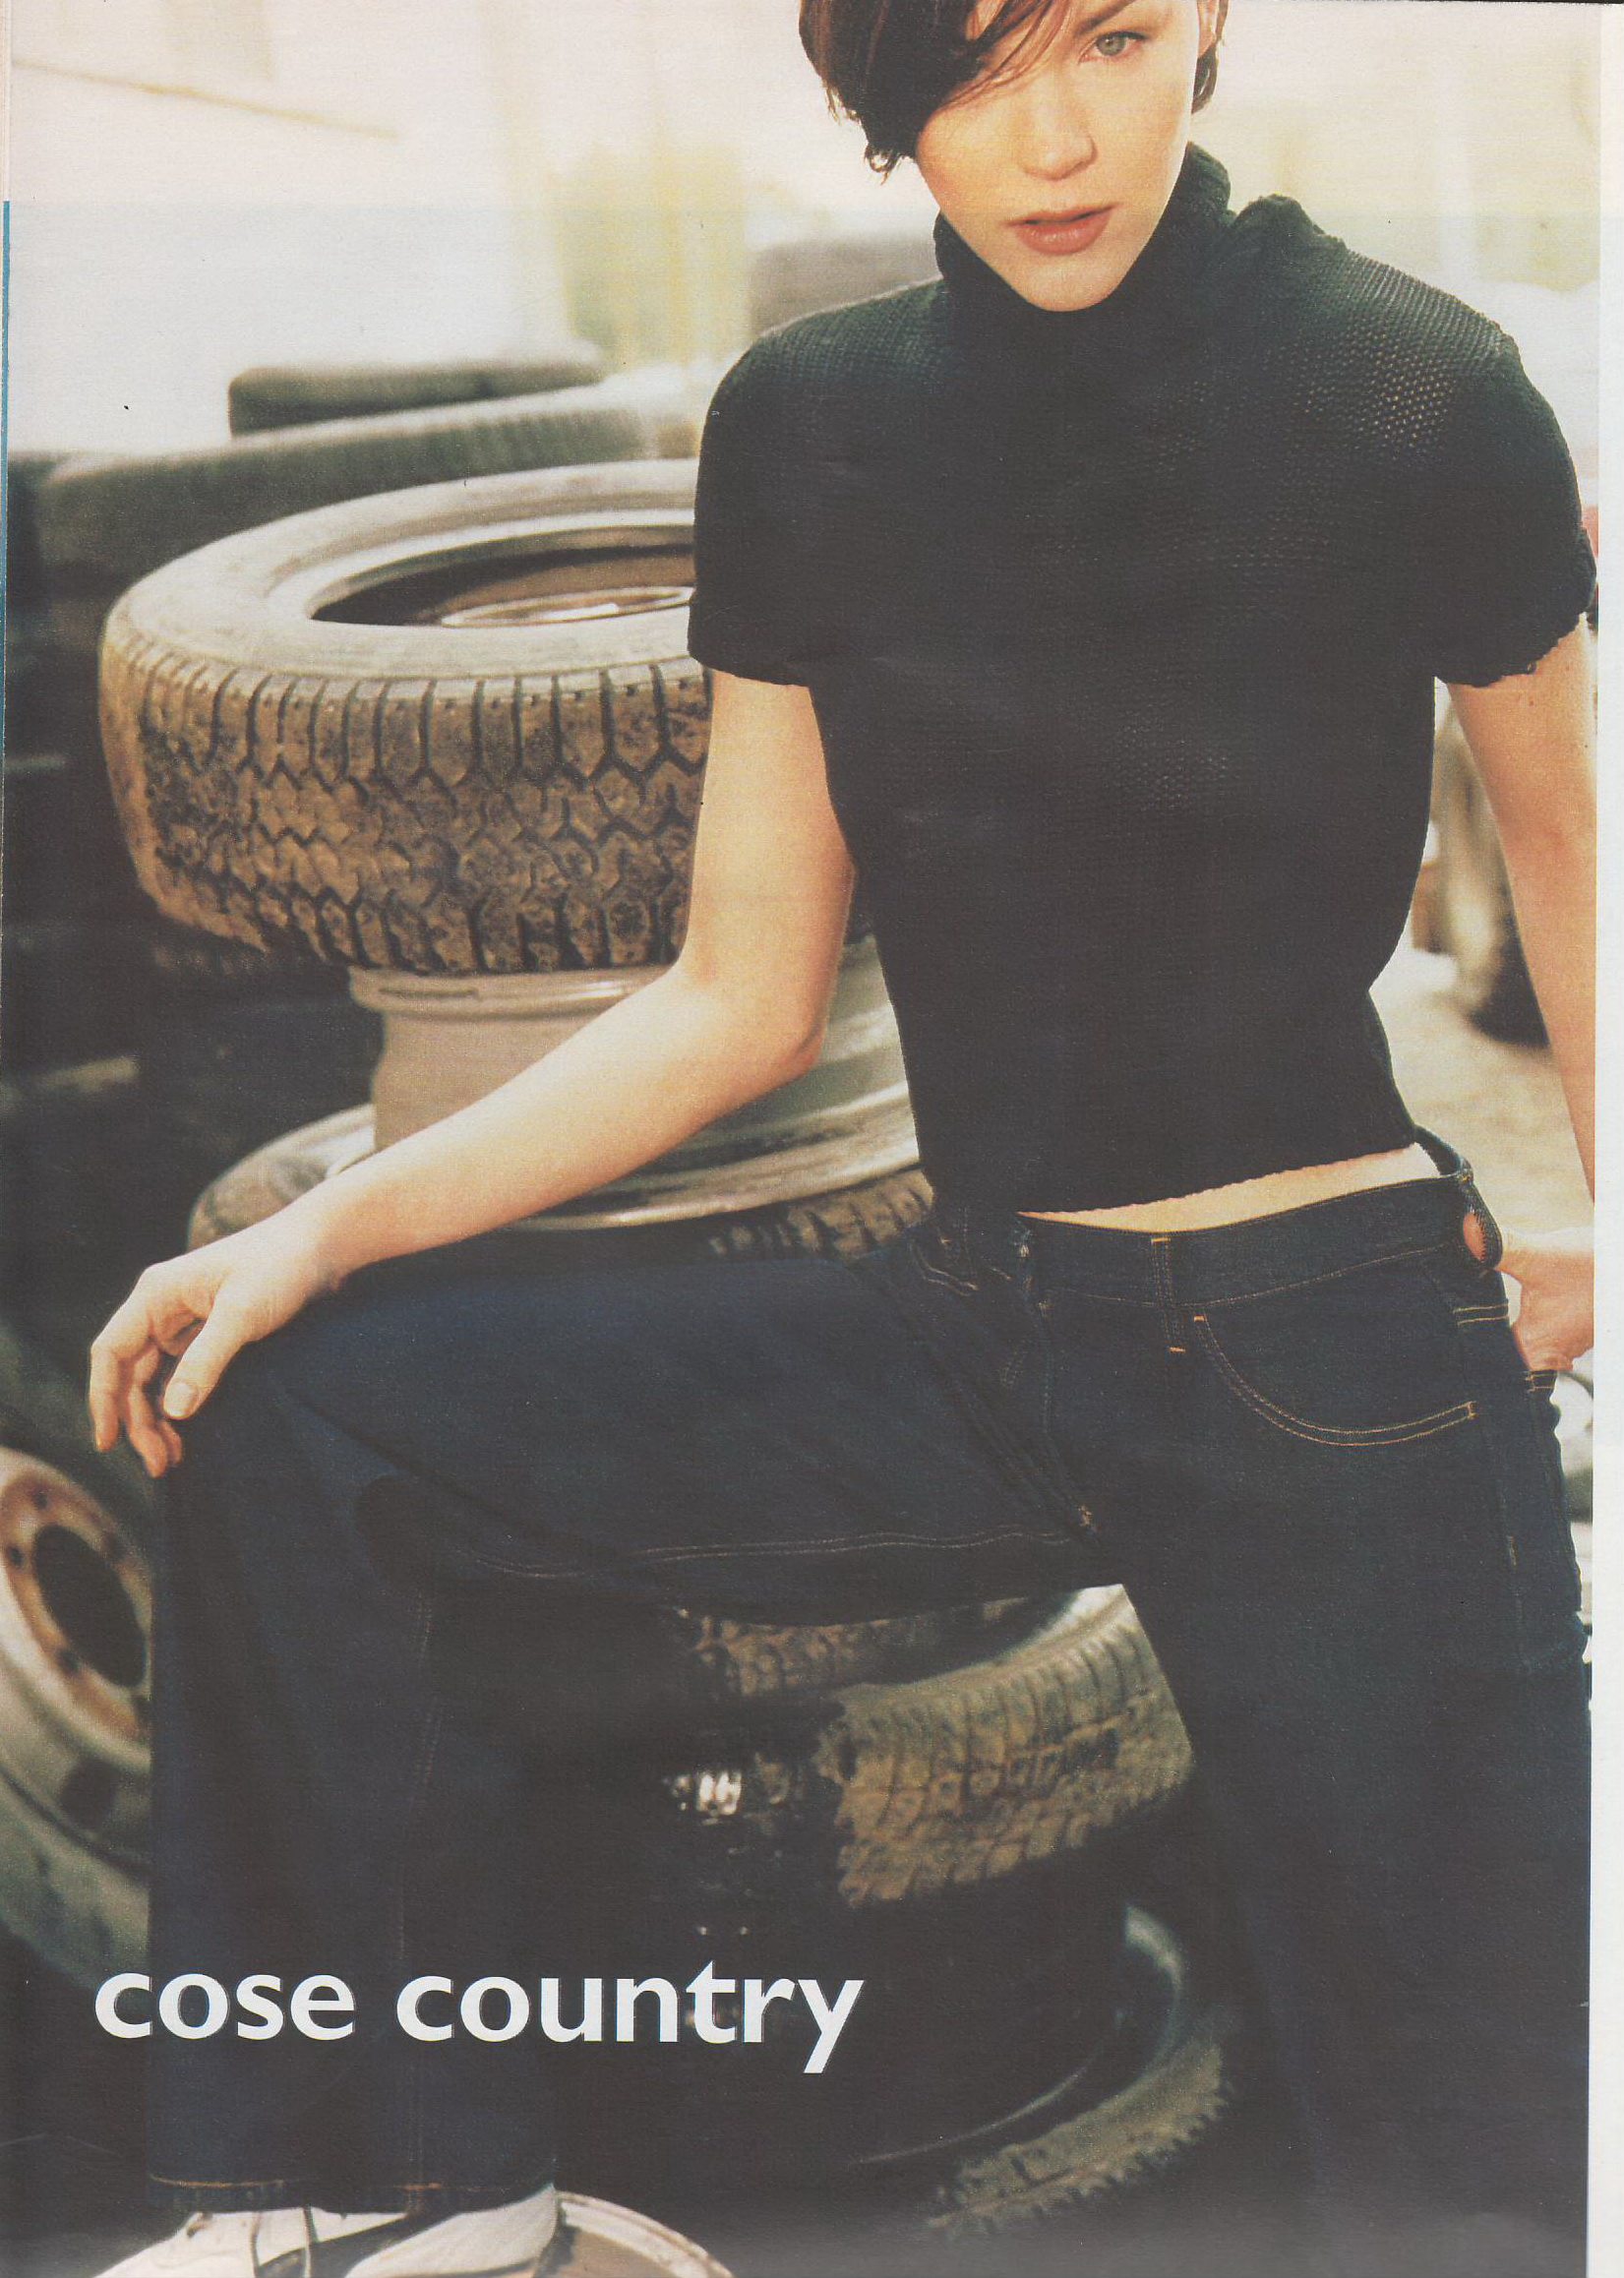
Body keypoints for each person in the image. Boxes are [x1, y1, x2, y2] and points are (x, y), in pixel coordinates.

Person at [87, 2, 1596, 2274]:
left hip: (1332, 1351)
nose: (1057, 134)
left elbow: (1573, 854)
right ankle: (431, 2200)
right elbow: (738, 995)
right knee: (292, 1396)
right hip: (976, 1318)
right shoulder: (808, 424)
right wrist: (322, 1234)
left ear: (1203, 23)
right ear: (880, 87)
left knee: (1449, 2189)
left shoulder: (1412, 386)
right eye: (975, 64)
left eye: (1110, 35)